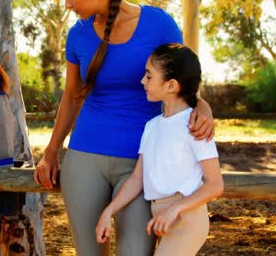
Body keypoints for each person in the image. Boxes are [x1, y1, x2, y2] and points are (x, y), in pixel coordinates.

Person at [33, 0, 215, 256]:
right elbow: (72, 95)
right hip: (84, 157)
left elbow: (184, 77)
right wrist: (51, 152)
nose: (66, 5)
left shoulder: (159, 24)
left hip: (142, 163)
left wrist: (204, 106)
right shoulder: (78, 35)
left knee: (135, 251)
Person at [95, 43, 224, 255]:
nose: (142, 81)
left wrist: (175, 209)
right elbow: (137, 179)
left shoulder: (195, 126)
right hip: (161, 215)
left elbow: (215, 185)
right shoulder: (152, 126)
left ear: (171, 85)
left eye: (149, 76)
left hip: (186, 219)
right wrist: (108, 211)